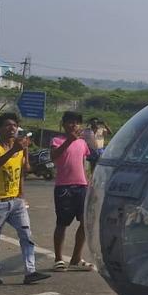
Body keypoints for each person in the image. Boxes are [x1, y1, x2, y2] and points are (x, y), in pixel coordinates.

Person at [0, 112, 49, 286]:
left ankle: (30, 271)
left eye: (14, 125)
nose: (11, 128)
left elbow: (25, 170)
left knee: (26, 235)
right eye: (7, 125)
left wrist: (25, 150)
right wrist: (14, 150)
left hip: (16, 200)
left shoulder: (19, 149)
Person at [50, 111, 95, 272]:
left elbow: (84, 163)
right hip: (64, 187)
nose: (73, 125)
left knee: (84, 222)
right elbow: (54, 156)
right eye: (70, 122)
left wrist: (89, 181)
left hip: (82, 186)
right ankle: (58, 258)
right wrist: (69, 141)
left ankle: (76, 257)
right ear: (63, 124)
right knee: (62, 223)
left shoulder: (82, 143)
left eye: (76, 122)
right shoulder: (57, 140)